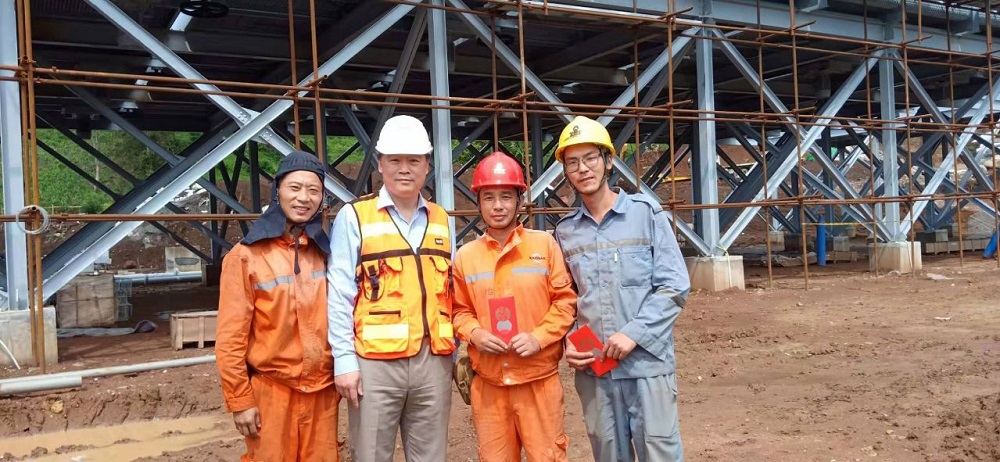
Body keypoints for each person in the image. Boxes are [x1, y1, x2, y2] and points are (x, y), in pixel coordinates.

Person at [553, 116, 690, 462]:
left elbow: (674, 285)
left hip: (646, 365)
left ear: (608, 161)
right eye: (573, 162)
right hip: (595, 370)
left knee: (659, 454)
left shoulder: (646, 214)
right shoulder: (565, 232)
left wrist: (634, 333)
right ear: (566, 171)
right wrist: (569, 339)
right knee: (608, 454)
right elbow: (564, 299)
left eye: (590, 158)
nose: (582, 169)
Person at [327, 115, 455, 462]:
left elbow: (449, 291)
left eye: (414, 160)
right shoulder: (355, 217)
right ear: (380, 164)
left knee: (431, 456)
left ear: (427, 165)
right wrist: (344, 361)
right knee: (371, 455)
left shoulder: (442, 220)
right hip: (374, 365)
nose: (404, 169)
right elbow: (339, 295)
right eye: (395, 160)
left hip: (434, 361)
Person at [451, 151, 577, 461]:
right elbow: (459, 310)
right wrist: (476, 334)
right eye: (489, 197)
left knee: (547, 456)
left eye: (506, 196)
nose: (498, 206)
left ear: (519, 201)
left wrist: (538, 338)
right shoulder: (466, 256)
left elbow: (565, 302)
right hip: (490, 386)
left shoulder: (544, 246)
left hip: (539, 382)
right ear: (478, 202)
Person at [216, 150, 340, 462]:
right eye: (294, 188)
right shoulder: (246, 257)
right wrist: (240, 400)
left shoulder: (325, 253)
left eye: (313, 190)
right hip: (272, 392)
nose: (304, 198)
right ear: (278, 191)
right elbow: (231, 338)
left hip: (323, 393)